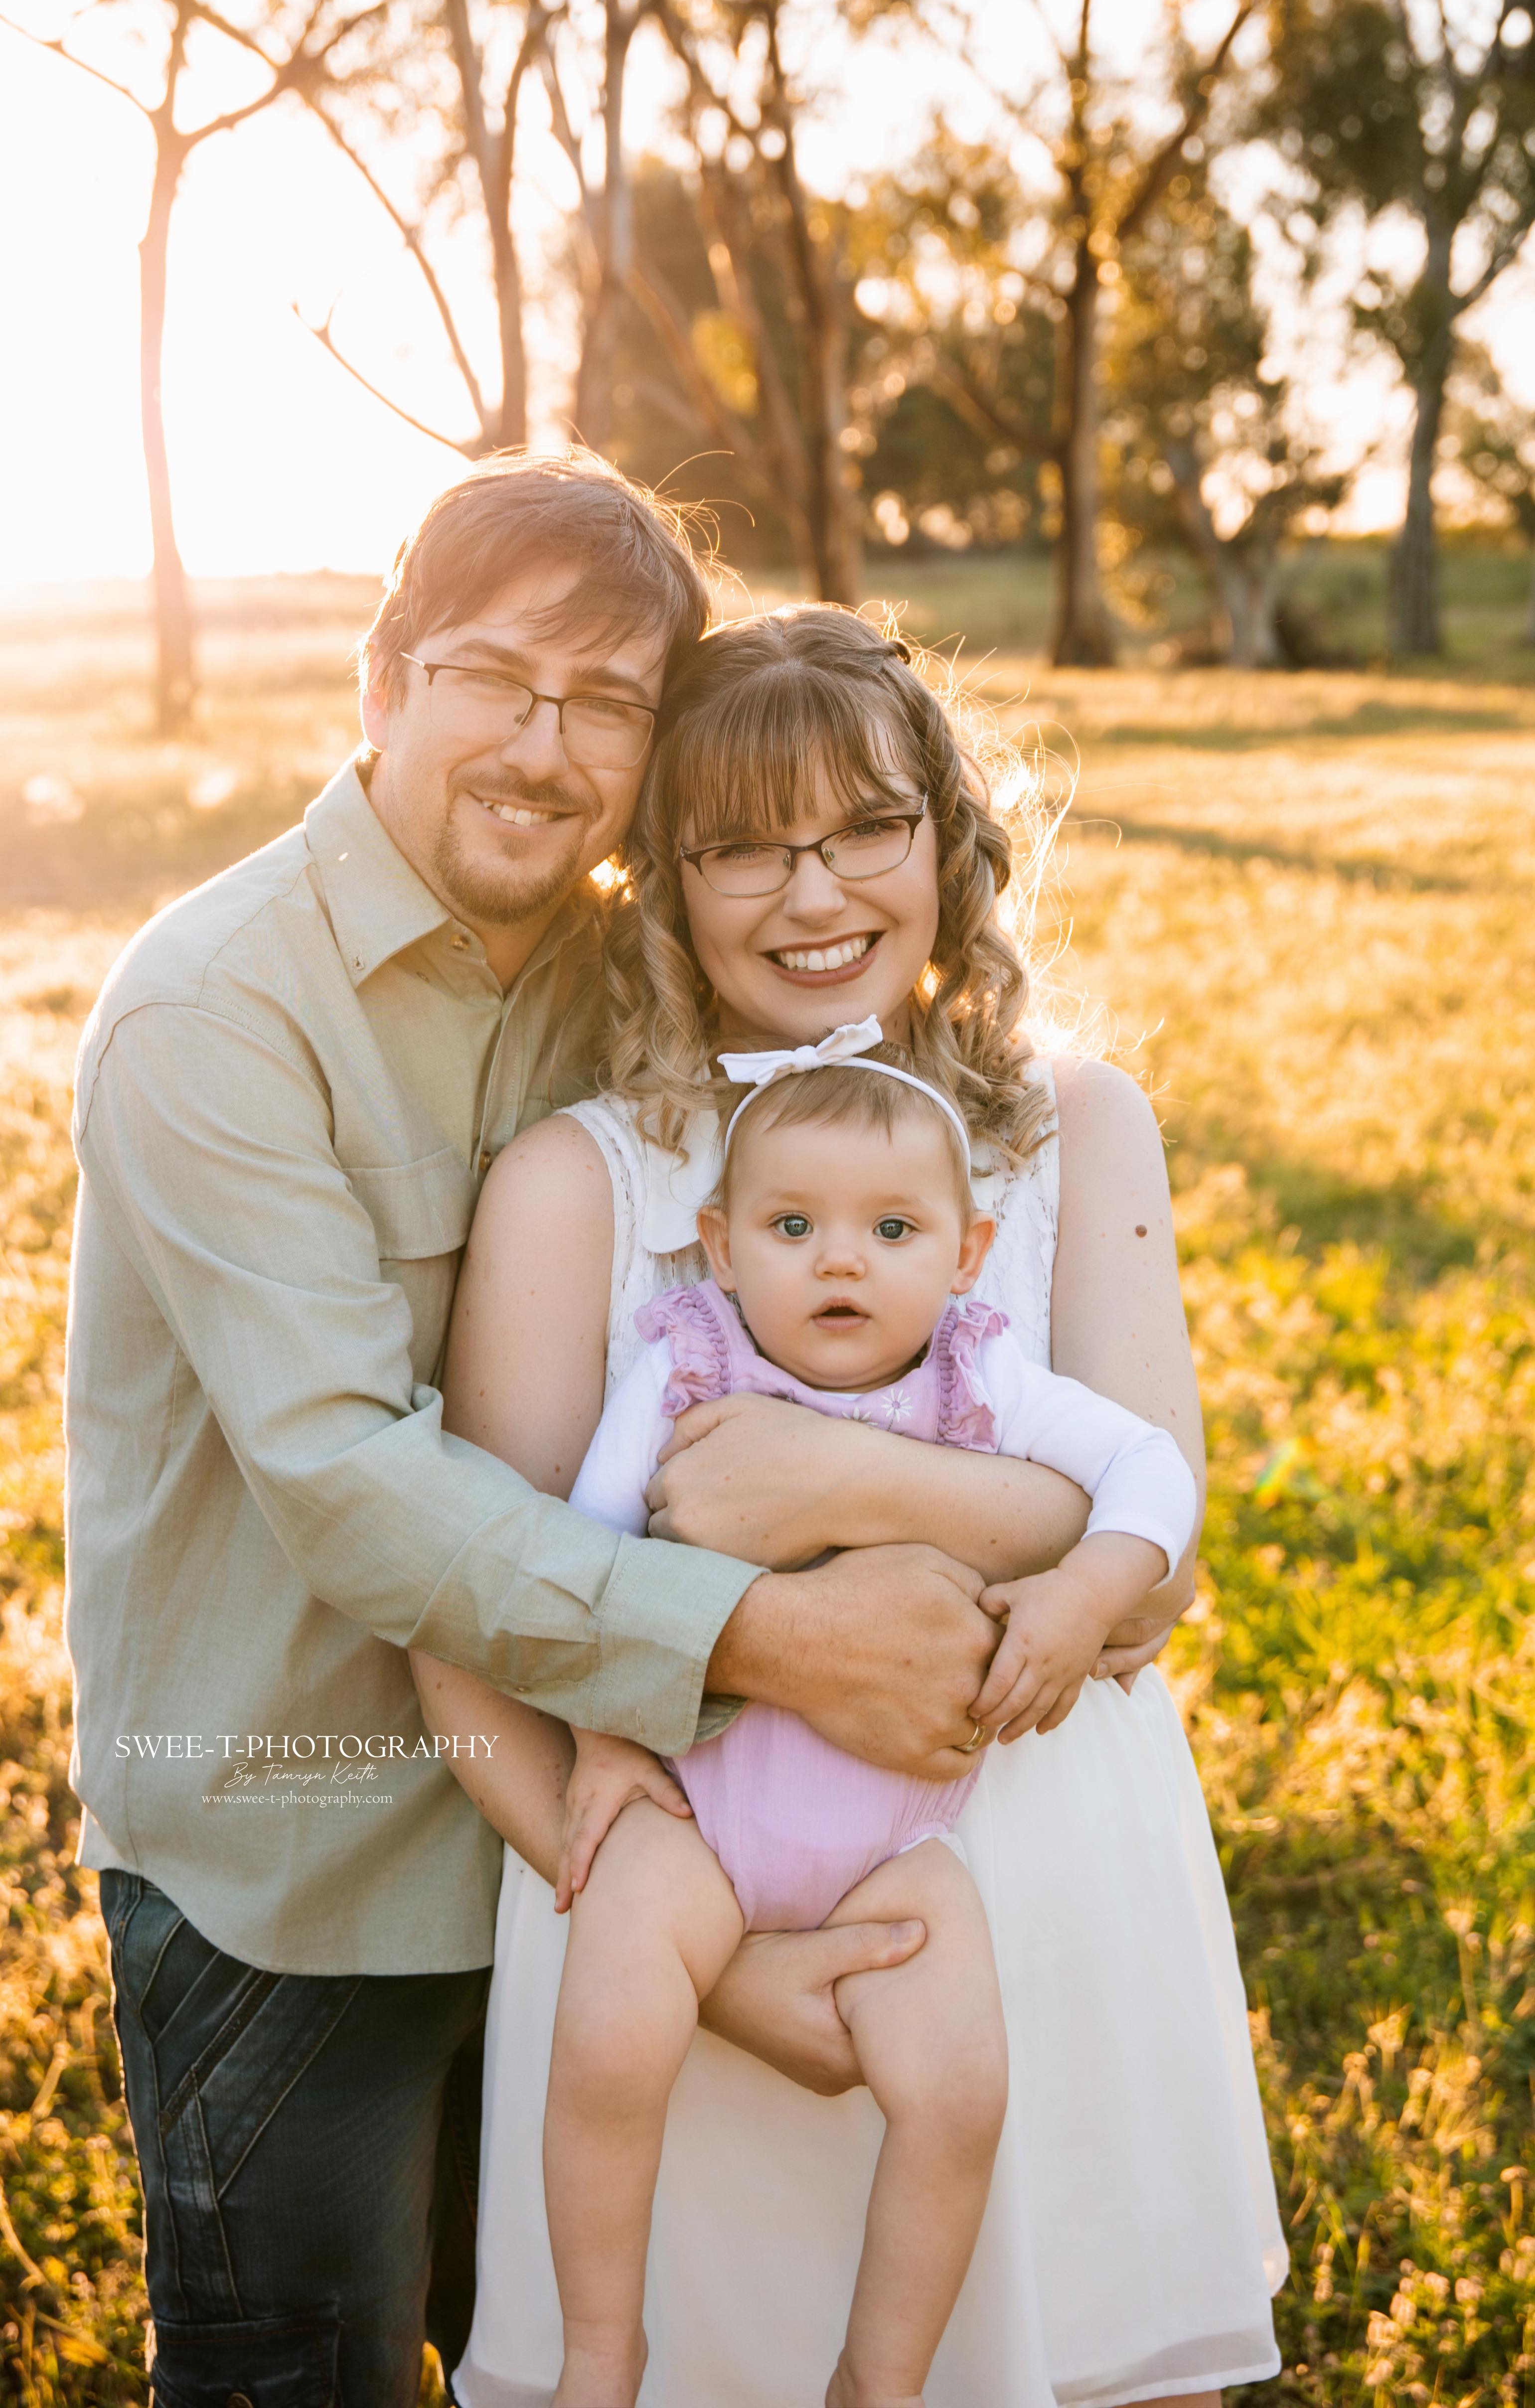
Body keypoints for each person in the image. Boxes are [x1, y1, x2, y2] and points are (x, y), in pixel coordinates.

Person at [61, 458, 1015, 2408]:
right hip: (304, 1857)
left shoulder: (625, 983)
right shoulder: (215, 1009)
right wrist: (760, 1641)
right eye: (495, 679)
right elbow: (347, 1481)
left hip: (608, 1829)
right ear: (381, 685)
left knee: (566, 2354)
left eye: (607, 702)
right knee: (303, 2372)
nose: (543, 745)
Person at [424, 605, 1287, 2408]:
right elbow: (480, 1612)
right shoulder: (581, 1182)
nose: (814, 894)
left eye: (867, 829)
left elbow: (1152, 1564)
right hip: (669, 1913)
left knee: (1078, 2354)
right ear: (660, 879)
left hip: (1030, 1876)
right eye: (744, 845)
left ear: (946, 843)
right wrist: (708, 1963)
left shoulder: (1071, 1132)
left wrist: (827, 1474)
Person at [531, 1033, 1200, 2408]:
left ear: (966, 1255)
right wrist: (602, 1739)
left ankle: (877, 2380)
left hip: (895, 1847)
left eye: (891, 1230)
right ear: (718, 1245)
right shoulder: (690, 1368)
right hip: (698, 1815)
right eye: (793, 1226)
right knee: (607, 2041)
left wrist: (1083, 1594)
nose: (841, 1262)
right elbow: (578, 1554)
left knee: (959, 2094)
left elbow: (1149, 1469)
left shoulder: (981, 1379)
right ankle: (601, 2351)